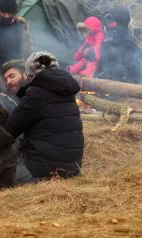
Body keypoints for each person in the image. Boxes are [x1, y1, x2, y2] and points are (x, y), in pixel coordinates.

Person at [5, 52, 84, 183]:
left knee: (4, 171)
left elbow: (9, 131)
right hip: (73, 167)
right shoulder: (67, 92)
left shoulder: (36, 94)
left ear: (30, 74)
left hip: (46, 169)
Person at [97, 6, 141, 84]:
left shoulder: (127, 43)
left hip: (122, 84)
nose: (107, 24)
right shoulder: (107, 42)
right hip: (106, 82)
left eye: (110, 19)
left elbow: (132, 66)